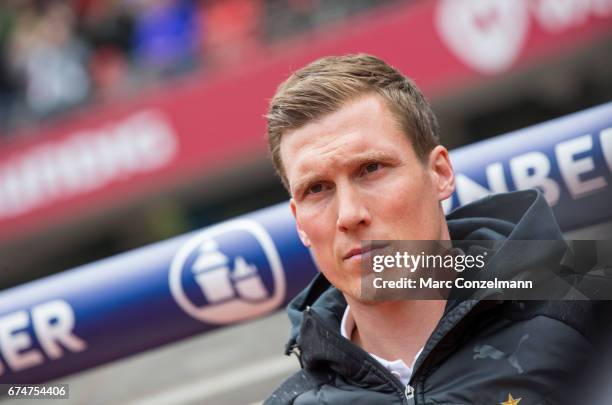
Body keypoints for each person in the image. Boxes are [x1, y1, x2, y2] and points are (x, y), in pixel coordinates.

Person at [263, 54, 603, 404]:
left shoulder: (586, 322)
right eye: (316, 189)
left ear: (440, 173)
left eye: (371, 168)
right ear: (299, 222)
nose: (349, 214)